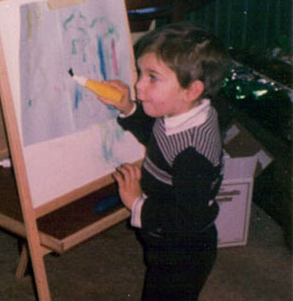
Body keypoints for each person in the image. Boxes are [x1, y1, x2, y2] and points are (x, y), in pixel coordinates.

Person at [99, 22, 231, 301]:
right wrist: (128, 108)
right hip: (167, 238)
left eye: (152, 77)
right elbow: (156, 135)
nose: (138, 84)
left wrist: (136, 202)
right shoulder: (183, 112)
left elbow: (187, 217)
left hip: (182, 251)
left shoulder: (193, 154)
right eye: (140, 73)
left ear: (191, 90)